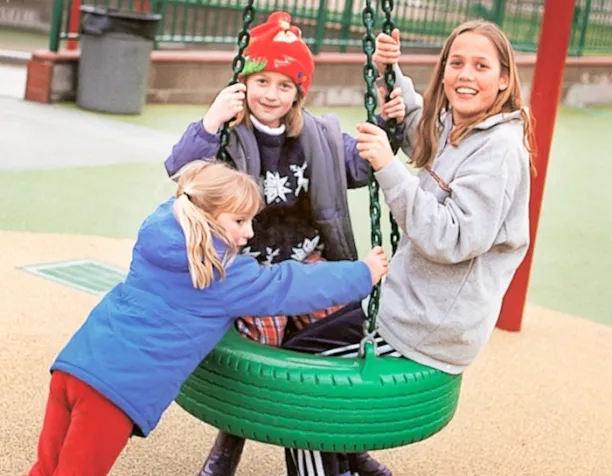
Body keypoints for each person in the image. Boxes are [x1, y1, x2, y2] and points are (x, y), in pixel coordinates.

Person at [282, 19, 536, 475]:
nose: (465, 75)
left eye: (481, 66)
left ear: (504, 80)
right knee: (305, 344)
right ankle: (344, 458)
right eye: (456, 63)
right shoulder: (460, 124)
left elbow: (451, 237)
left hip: (427, 327)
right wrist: (390, 71)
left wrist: (387, 166)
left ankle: (332, 463)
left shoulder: (499, 151)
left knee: (303, 382)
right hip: (406, 305)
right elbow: (421, 125)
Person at [26, 161, 389, 476]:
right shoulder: (221, 274)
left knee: (45, 469)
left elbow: (191, 187)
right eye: (240, 220)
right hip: (114, 392)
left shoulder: (157, 235)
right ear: (208, 215)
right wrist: (362, 273)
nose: (249, 233)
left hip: (74, 367)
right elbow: (289, 285)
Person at [165, 11, 402, 476]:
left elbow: (368, 161)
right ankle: (229, 442)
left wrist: (386, 106)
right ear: (245, 83)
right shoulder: (231, 139)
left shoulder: (323, 137)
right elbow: (181, 173)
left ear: (298, 93)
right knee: (264, 349)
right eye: (262, 81)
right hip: (253, 268)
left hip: (310, 260)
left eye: (284, 85)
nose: (271, 94)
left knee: (338, 337)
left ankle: (347, 446)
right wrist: (212, 120)